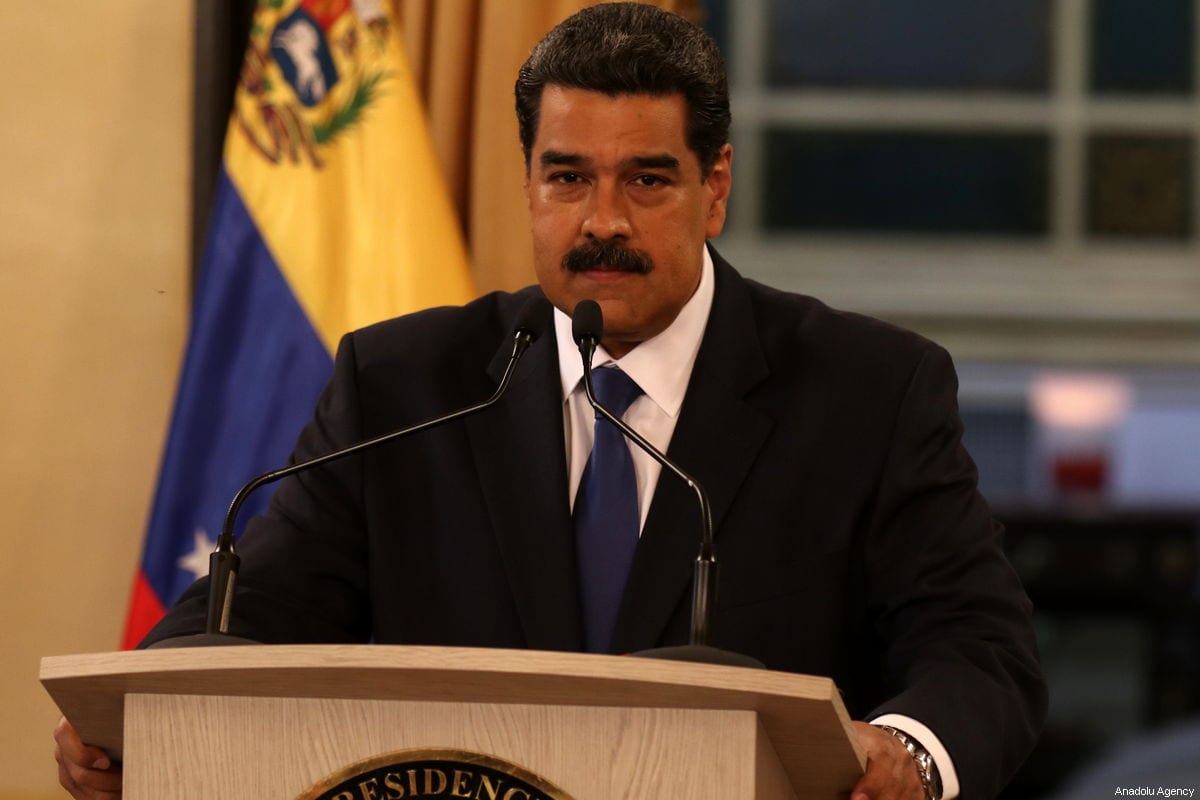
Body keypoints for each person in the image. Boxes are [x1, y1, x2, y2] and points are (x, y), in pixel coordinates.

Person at [54, 4, 1046, 800]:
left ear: (714, 189)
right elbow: (253, 611)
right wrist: (137, 715)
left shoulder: (868, 390)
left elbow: (980, 650)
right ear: (528, 183)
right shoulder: (406, 383)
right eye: (567, 177)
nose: (601, 220)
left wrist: (910, 754)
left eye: (647, 179)